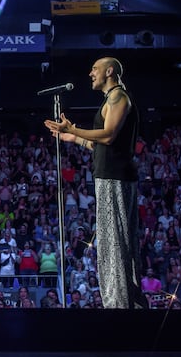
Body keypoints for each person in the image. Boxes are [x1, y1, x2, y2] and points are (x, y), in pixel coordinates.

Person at [44, 56, 143, 309]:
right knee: (114, 241)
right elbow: (99, 145)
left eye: (95, 69)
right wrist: (72, 138)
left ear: (109, 71)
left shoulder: (118, 97)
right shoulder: (110, 100)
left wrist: (74, 128)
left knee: (114, 242)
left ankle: (119, 304)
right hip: (109, 175)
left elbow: (108, 136)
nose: (90, 73)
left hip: (115, 177)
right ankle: (125, 301)